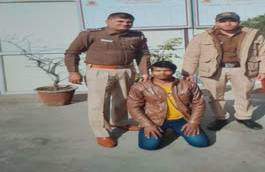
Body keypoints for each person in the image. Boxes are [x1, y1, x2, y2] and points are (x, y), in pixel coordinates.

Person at [64, 12, 150, 147]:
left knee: (123, 99)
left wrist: (144, 71)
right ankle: (102, 133)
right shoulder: (91, 34)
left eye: (128, 22)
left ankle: (119, 122)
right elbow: (72, 53)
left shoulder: (136, 35)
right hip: (100, 71)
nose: (125, 24)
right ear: (107, 22)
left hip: (126, 70)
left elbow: (143, 54)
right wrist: (73, 71)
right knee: (98, 103)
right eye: (120, 21)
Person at [182, 12, 265, 131]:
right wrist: (188, 72)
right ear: (216, 22)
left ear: (238, 22)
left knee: (244, 94)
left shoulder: (253, 35)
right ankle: (220, 118)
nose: (228, 23)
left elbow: (264, 54)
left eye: (232, 20)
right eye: (223, 21)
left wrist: (264, 71)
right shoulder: (202, 37)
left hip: (242, 69)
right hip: (213, 70)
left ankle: (244, 117)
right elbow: (191, 55)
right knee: (215, 96)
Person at [127, 61, 209, 150]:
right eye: (157, 70)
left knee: (201, 143)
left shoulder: (188, 85)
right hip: (154, 120)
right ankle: (165, 130)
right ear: (151, 71)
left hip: (182, 119)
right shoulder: (139, 87)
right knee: (148, 145)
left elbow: (198, 103)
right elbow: (134, 107)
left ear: (173, 71)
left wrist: (194, 122)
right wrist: (147, 124)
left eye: (167, 70)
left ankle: (177, 129)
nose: (162, 73)